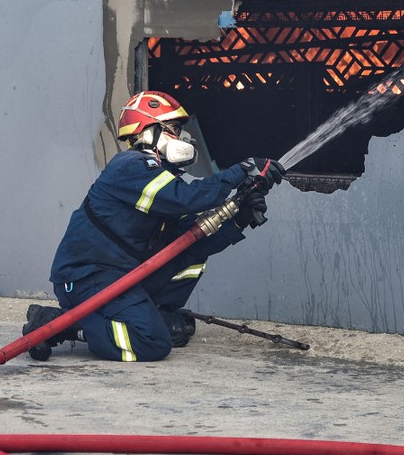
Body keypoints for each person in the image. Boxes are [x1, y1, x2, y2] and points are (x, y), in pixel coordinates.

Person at [22, 91, 284, 362]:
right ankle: (61, 324)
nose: (182, 138)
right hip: (85, 278)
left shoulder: (160, 176)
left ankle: (151, 312)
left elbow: (189, 240)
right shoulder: (131, 167)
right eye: (173, 129)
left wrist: (239, 219)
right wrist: (242, 169)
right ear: (147, 131)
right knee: (153, 342)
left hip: (120, 274)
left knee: (191, 261)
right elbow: (186, 199)